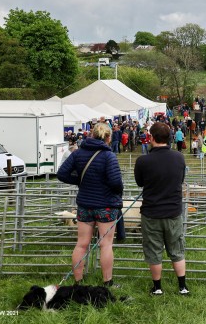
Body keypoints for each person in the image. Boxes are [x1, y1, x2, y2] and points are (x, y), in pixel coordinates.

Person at [57, 123, 123, 288]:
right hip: (106, 205)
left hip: (85, 204)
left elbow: (62, 173)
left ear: (92, 135)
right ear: (108, 138)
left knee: (81, 243)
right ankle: (108, 281)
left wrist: (80, 181)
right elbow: (116, 182)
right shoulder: (109, 156)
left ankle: (78, 282)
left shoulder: (78, 153)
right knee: (105, 244)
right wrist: (115, 191)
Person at [133, 122, 190, 296]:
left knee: (153, 249)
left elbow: (140, 182)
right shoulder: (179, 158)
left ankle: (157, 287)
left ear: (151, 138)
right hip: (173, 212)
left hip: (151, 213)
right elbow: (180, 179)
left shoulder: (143, 160)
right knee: (176, 248)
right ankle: (182, 287)